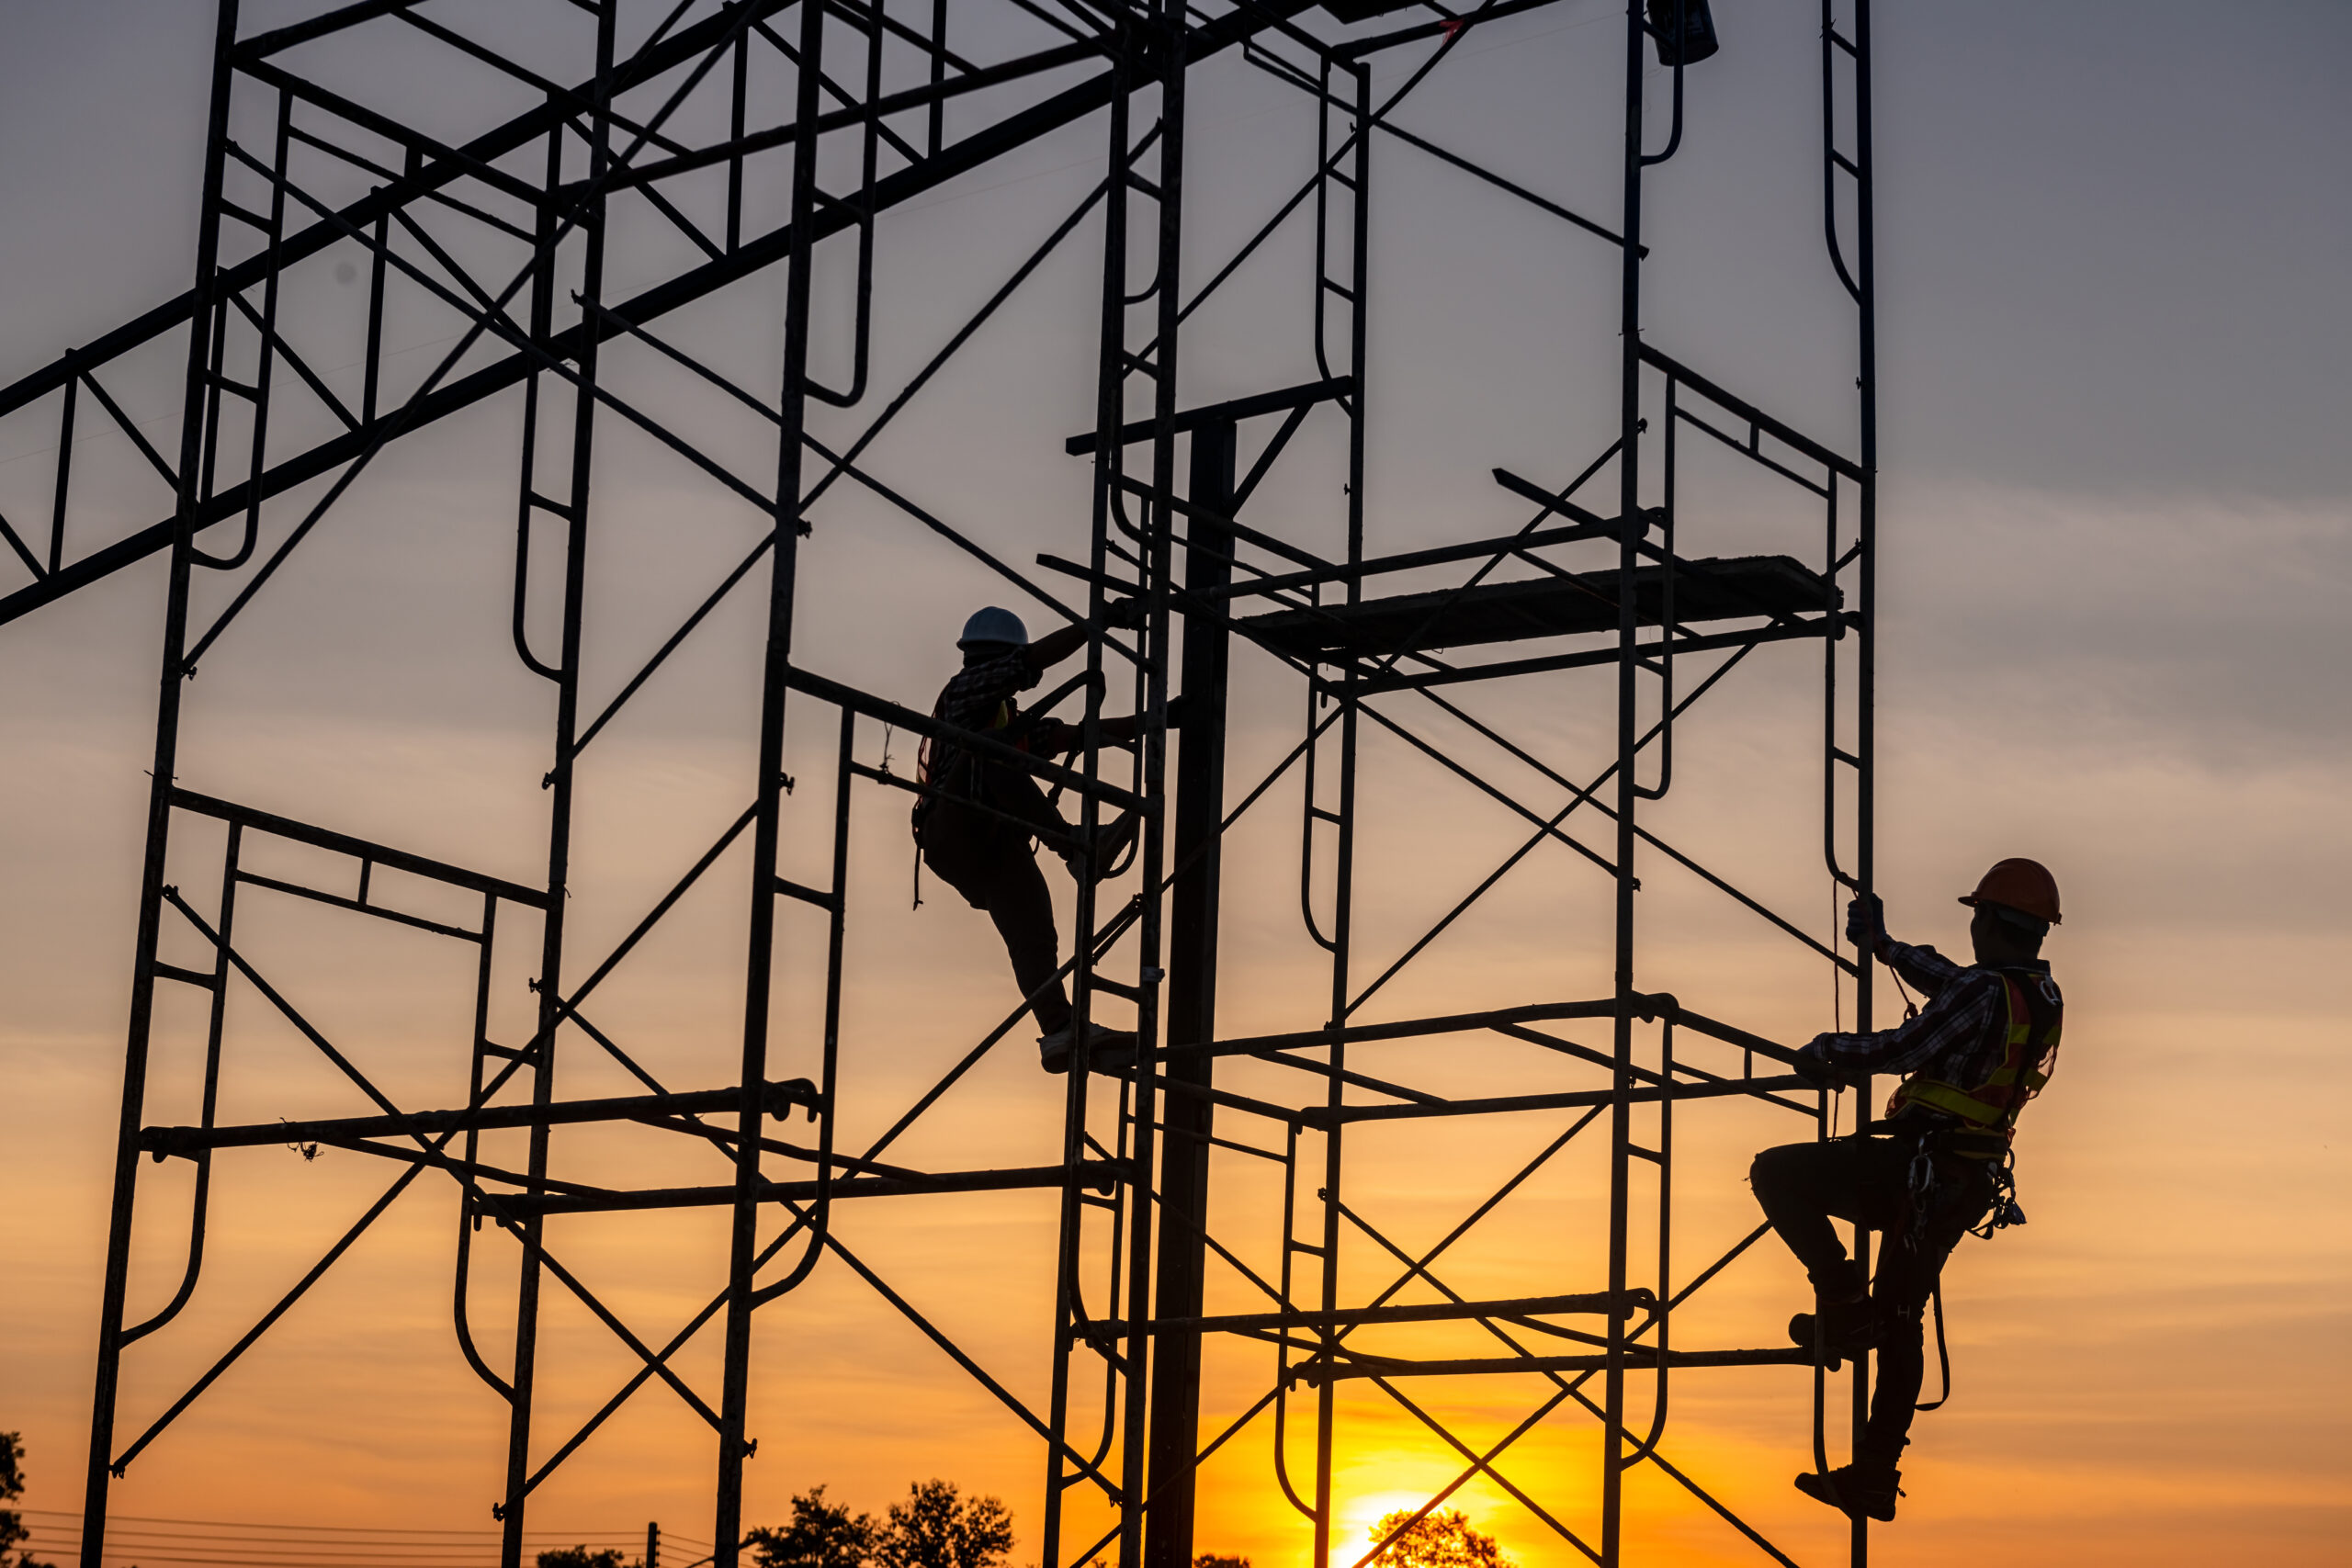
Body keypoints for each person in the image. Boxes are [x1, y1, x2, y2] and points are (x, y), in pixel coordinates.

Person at [1749, 858, 2065, 1523]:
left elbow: (1906, 1044)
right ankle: (1873, 1472)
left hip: (1920, 1173)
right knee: (1901, 1319)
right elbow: (1955, 985)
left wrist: (1828, 1049)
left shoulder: (1986, 994)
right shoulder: (2036, 995)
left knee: (1777, 1173)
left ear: (1988, 920)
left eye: (1975, 916)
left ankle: (1842, 1300)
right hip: (1962, 1180)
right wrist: (1885, 947)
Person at [914, 604, 1145, 1074]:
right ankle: (1077, 846)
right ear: (996, 659)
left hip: (992, 843)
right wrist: (1096, 624)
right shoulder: (966, 691)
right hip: (954, 828)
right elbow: (1029, 663)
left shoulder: (1004, 716)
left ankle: (1060, 1029)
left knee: (1035, 936)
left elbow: (1069, 736)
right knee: (992, 752)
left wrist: (1158, 720)